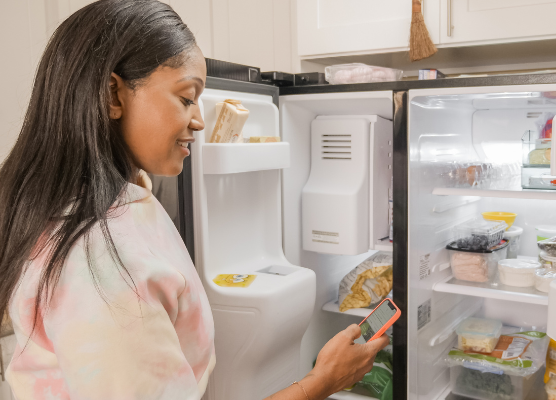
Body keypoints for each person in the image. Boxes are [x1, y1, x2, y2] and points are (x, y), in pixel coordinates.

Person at [0, 1, 389, 399]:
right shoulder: (101, 263)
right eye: (187, 98)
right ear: (112, 95)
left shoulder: (115, 200)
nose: (200, 120)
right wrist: (322, 381)